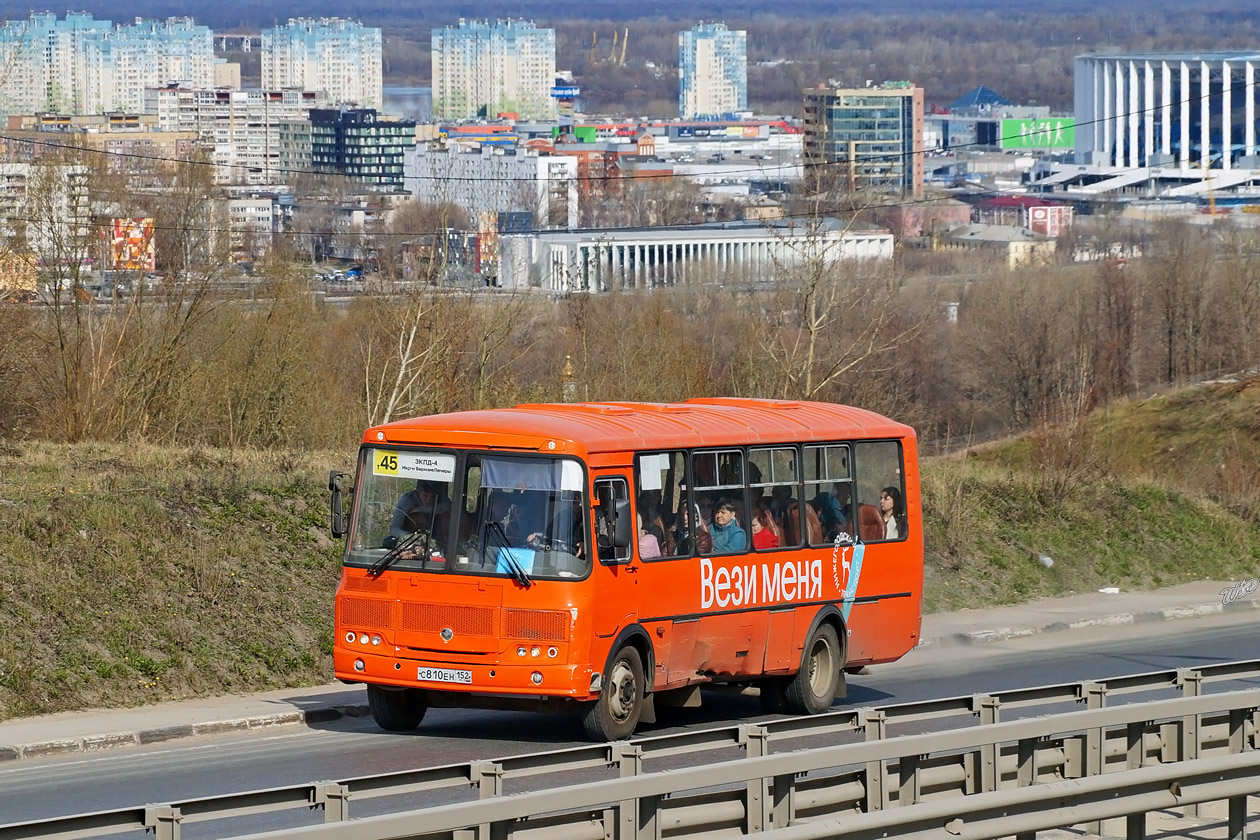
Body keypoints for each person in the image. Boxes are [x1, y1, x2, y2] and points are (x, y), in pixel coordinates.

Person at [388, 480, 451, 554]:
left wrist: (422, 509)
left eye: (432, 497)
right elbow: (394, 527)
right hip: (411, 541)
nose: (428, 500)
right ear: (418, 492)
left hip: (437, 540)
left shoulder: (440, 498)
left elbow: (447, 506)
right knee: (417, 516)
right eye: (425, 495)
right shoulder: (407, 500)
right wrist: (409, 537)